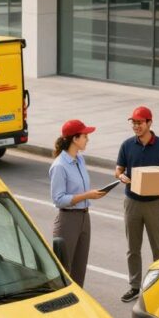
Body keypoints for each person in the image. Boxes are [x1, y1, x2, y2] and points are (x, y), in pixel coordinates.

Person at [115, 106, 159, 303]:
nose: (136, 126)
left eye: (139, 122)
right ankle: (134, 286)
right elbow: (118, 170)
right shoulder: (126, 145)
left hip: (154, 204)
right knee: (133, 248)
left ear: (149, 123)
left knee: (158, 247)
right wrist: (121, 176)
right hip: (132, 202)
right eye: (133, 122)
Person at [49, 120, 106, 285]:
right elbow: (58, 199)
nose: (87, 139)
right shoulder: (59, 166)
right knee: (63, 273)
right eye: (85, 135)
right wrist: (86, 195)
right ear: (75, 138)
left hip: (84, 218)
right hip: (68, 221)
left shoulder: (80, 160)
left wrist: (90, 195)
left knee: (79, 271)